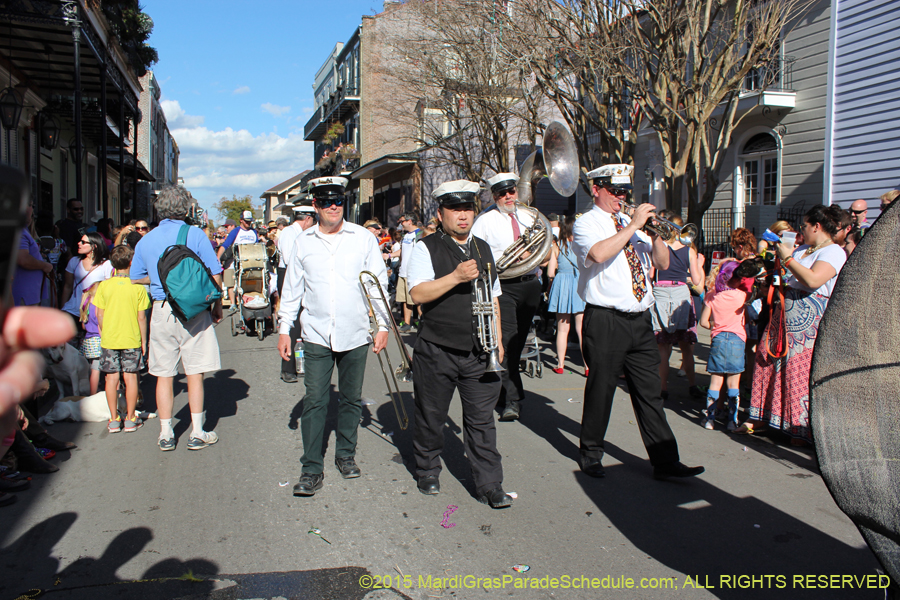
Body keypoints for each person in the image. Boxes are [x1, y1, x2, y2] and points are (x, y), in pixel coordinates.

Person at [571, 163, 704, 481]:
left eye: (625, 192)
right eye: (615, 191)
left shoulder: (634, 226)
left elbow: (663, 262)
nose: (621, 197)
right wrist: (632, 226)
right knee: (601, 388)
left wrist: (657, 236)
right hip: (606, 319)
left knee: (649, 393)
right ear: (597, 190)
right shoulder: (586, 223)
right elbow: (599, 254)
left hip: (640, 319)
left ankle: (665, 461)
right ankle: (591, 453)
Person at [276, 176, 389, 497]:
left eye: (338, 200)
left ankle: (345, 455)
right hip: (315, 333)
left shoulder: (362, 238)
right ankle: (311, 468)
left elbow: (376, 284)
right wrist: (285, 328)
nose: (333, 207)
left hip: (355, 333)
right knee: (315, 400)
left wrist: (382, 325)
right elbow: (293, 288)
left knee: (351, 398)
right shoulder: (303, 241)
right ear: (315, 206)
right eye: (325, 202)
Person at [407, 180, 512, 508]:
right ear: (440, 214)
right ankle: (427, 470)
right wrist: (454, 277)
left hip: (480, 350)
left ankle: (490, 484)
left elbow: (493, 296)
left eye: (467, 209)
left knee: (482, 420)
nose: (463, 216)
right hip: (437, 347)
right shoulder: (426, 247)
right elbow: (417, 294)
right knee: (431, 415)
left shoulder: (483, 247)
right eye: (455, 210)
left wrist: (497, 339)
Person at [739, 206, 847, 445]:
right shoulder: (803, 249)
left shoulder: (834, 252)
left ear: (816, 227)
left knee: (796, 371)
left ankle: (798, 428)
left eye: (805, 226)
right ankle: (761, 416)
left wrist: (787, 257)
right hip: (785, 310)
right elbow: (787, 275)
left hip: (809, 316)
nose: (801, 230)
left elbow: (813, 279)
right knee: (766, 359)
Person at [131, 186, 224, 452]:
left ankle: (165, 433)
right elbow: (215, 273)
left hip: (161, 308)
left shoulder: (146, 239)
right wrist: (216, 305)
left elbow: (136, 276)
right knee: (194, 372)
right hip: (193, 309)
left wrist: (162, 281)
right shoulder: (194, 234)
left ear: (159, 209)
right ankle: (197, 431)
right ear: (185, 209)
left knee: (164, 373)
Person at [470, 173, 544, 422]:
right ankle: (513, 400)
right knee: (509, 342)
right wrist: (513, 255)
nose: (508, 196)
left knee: (518, 343)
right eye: (502, 193)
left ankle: (503, 392)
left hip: (531, 285)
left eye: (511, 191)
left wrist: (533, 254)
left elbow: (545, 247)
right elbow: (478, 254)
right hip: (504, 286)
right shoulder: (485, 221)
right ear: (494, 196)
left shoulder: (530, 216)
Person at [93, 245, 150, 434]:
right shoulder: (137, 288)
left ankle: (114, 419)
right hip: (131, 338)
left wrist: (103, 331)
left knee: (111, 379)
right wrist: (144, 341)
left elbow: (98, 313)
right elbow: (141, 317)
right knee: (131, 378)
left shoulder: (104, 286)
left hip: (110, 338)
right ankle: (131, 418)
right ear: (131, 263)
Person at [650, 212, 704, 400]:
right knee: (686, 347)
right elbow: (696, 281)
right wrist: (699, 264)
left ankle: (662, 388)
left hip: (661, 292)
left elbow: (651, 274)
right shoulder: (689, 251)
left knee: (662, 347)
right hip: (681, 293)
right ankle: (692, 385)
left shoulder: (659, 246)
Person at [698, 259, 757, 431]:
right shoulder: (742, 296)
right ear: (739, 278)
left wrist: (715, 325)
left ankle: (710, 419)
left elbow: (703, 322)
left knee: (715, 382)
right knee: (734, 384)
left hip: (718, 339)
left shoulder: (712, 295)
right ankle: (732, 421)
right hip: (737, 340)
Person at [276, 204, 317, 382]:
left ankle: (302, 362)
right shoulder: (289, 233)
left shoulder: (302, 233)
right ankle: (288, 368)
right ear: (307, 218)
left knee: (304, 321)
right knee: (293, 323)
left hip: (300, 276)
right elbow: (289, 259)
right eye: (313, 220)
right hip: (289, 276)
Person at [547, 215, 585, 375]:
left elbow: (550, 272)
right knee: (581, 329)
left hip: (562, 285)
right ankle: (587, 366)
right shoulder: (581, 246)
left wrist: (551, 285)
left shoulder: (557, 247)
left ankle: (561, 364)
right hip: (578, 286)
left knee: (562, 329)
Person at [60, 232, 113, 327]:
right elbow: (67, 286)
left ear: (94, 246)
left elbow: (109, 290)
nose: (79, 243)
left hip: (93, 312)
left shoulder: (106, 264)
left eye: (83, 242)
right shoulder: (74, 261)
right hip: (72, 309)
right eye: (80, 241)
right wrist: (62, 308)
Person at [217, 211, 260, 313]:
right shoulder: (236, 232)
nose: (248, 223)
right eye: (246, 221)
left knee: (249, 282)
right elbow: (225, 245)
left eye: (249, 221)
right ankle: (233, 303)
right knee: (231, 282)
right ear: (241, 220)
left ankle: (247, 300)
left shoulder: (253, 232)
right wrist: (218, 258)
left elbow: (257, 246)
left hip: (249, 262)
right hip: (236, 261)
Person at [13, 205, 54, 307]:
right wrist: (44, 265)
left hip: (28, 295)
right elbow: (23, 259)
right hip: (23, 295)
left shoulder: (23, 231)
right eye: (30, 205)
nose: (32, 209)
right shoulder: (19, 232)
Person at [396, 212, 423, 332]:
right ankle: (407, 323)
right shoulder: (405, 236)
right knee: (406, 300)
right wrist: (390, 255)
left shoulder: (419, 234)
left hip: (413, 273)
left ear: (409, 221)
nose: (401, 224)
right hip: (403, 272)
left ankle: (423, 322)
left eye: (402, 221)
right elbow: (402, 252)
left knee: (417, 300)